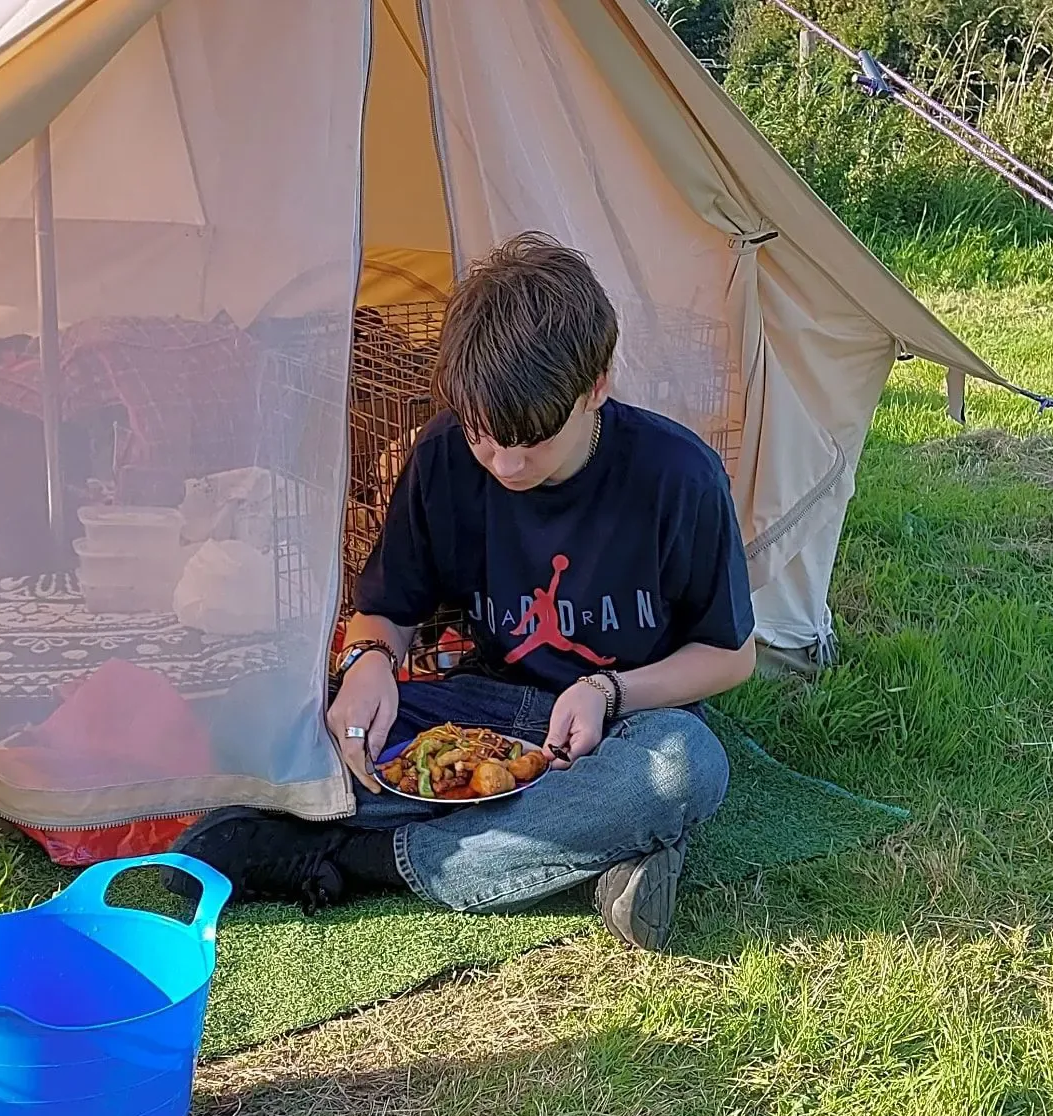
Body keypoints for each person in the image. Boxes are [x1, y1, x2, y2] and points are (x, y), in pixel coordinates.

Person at [166, 232, 756, 951]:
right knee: (255, 714)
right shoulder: (444, 455)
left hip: (621, 730)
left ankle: (358, 857)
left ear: (596, 385)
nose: (505, 463)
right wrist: (367, 667)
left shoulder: (678, 476)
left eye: (532, 440)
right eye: (484, 436)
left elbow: (731, 656)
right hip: (474, 713)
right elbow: (384, 612)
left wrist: (607, 693)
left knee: (682, 770)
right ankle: (599, 857)